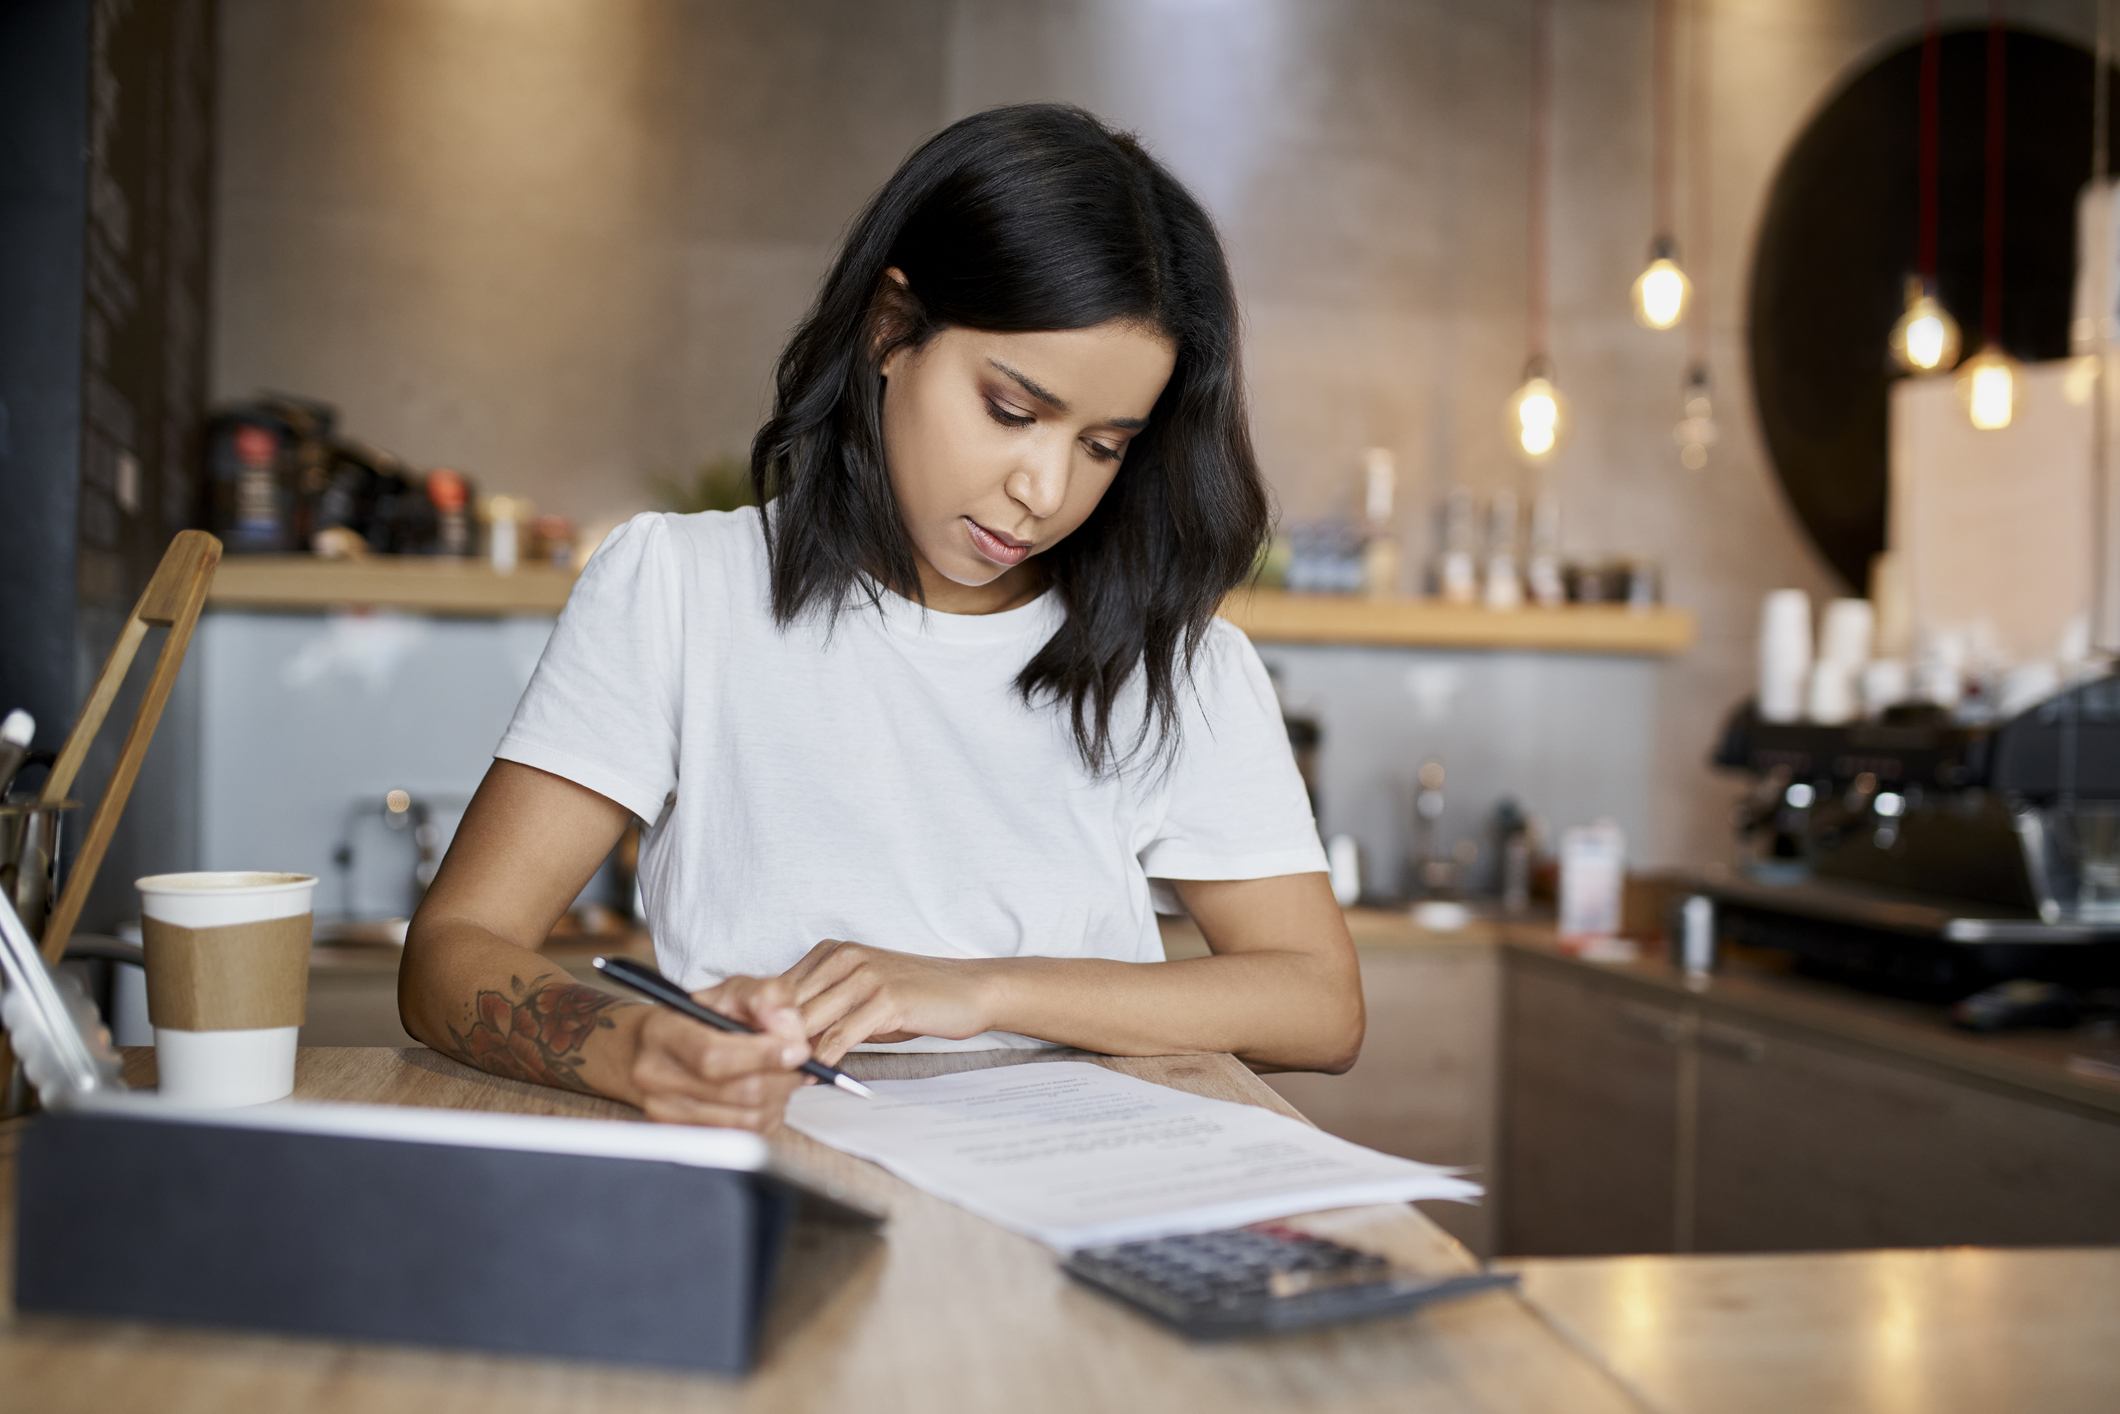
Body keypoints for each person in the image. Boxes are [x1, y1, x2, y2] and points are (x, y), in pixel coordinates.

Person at [398, 104, 1362, 1132]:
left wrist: (975, 990)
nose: (1044, 487)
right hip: (781, 1168)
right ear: (890, 330)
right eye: (1012, 410)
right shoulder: (682, 587)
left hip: (1087, 1203)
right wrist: (636, 1048)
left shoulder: (1177, 660)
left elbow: (1318, 1005)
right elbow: (452, 949)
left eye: (1103, 445)